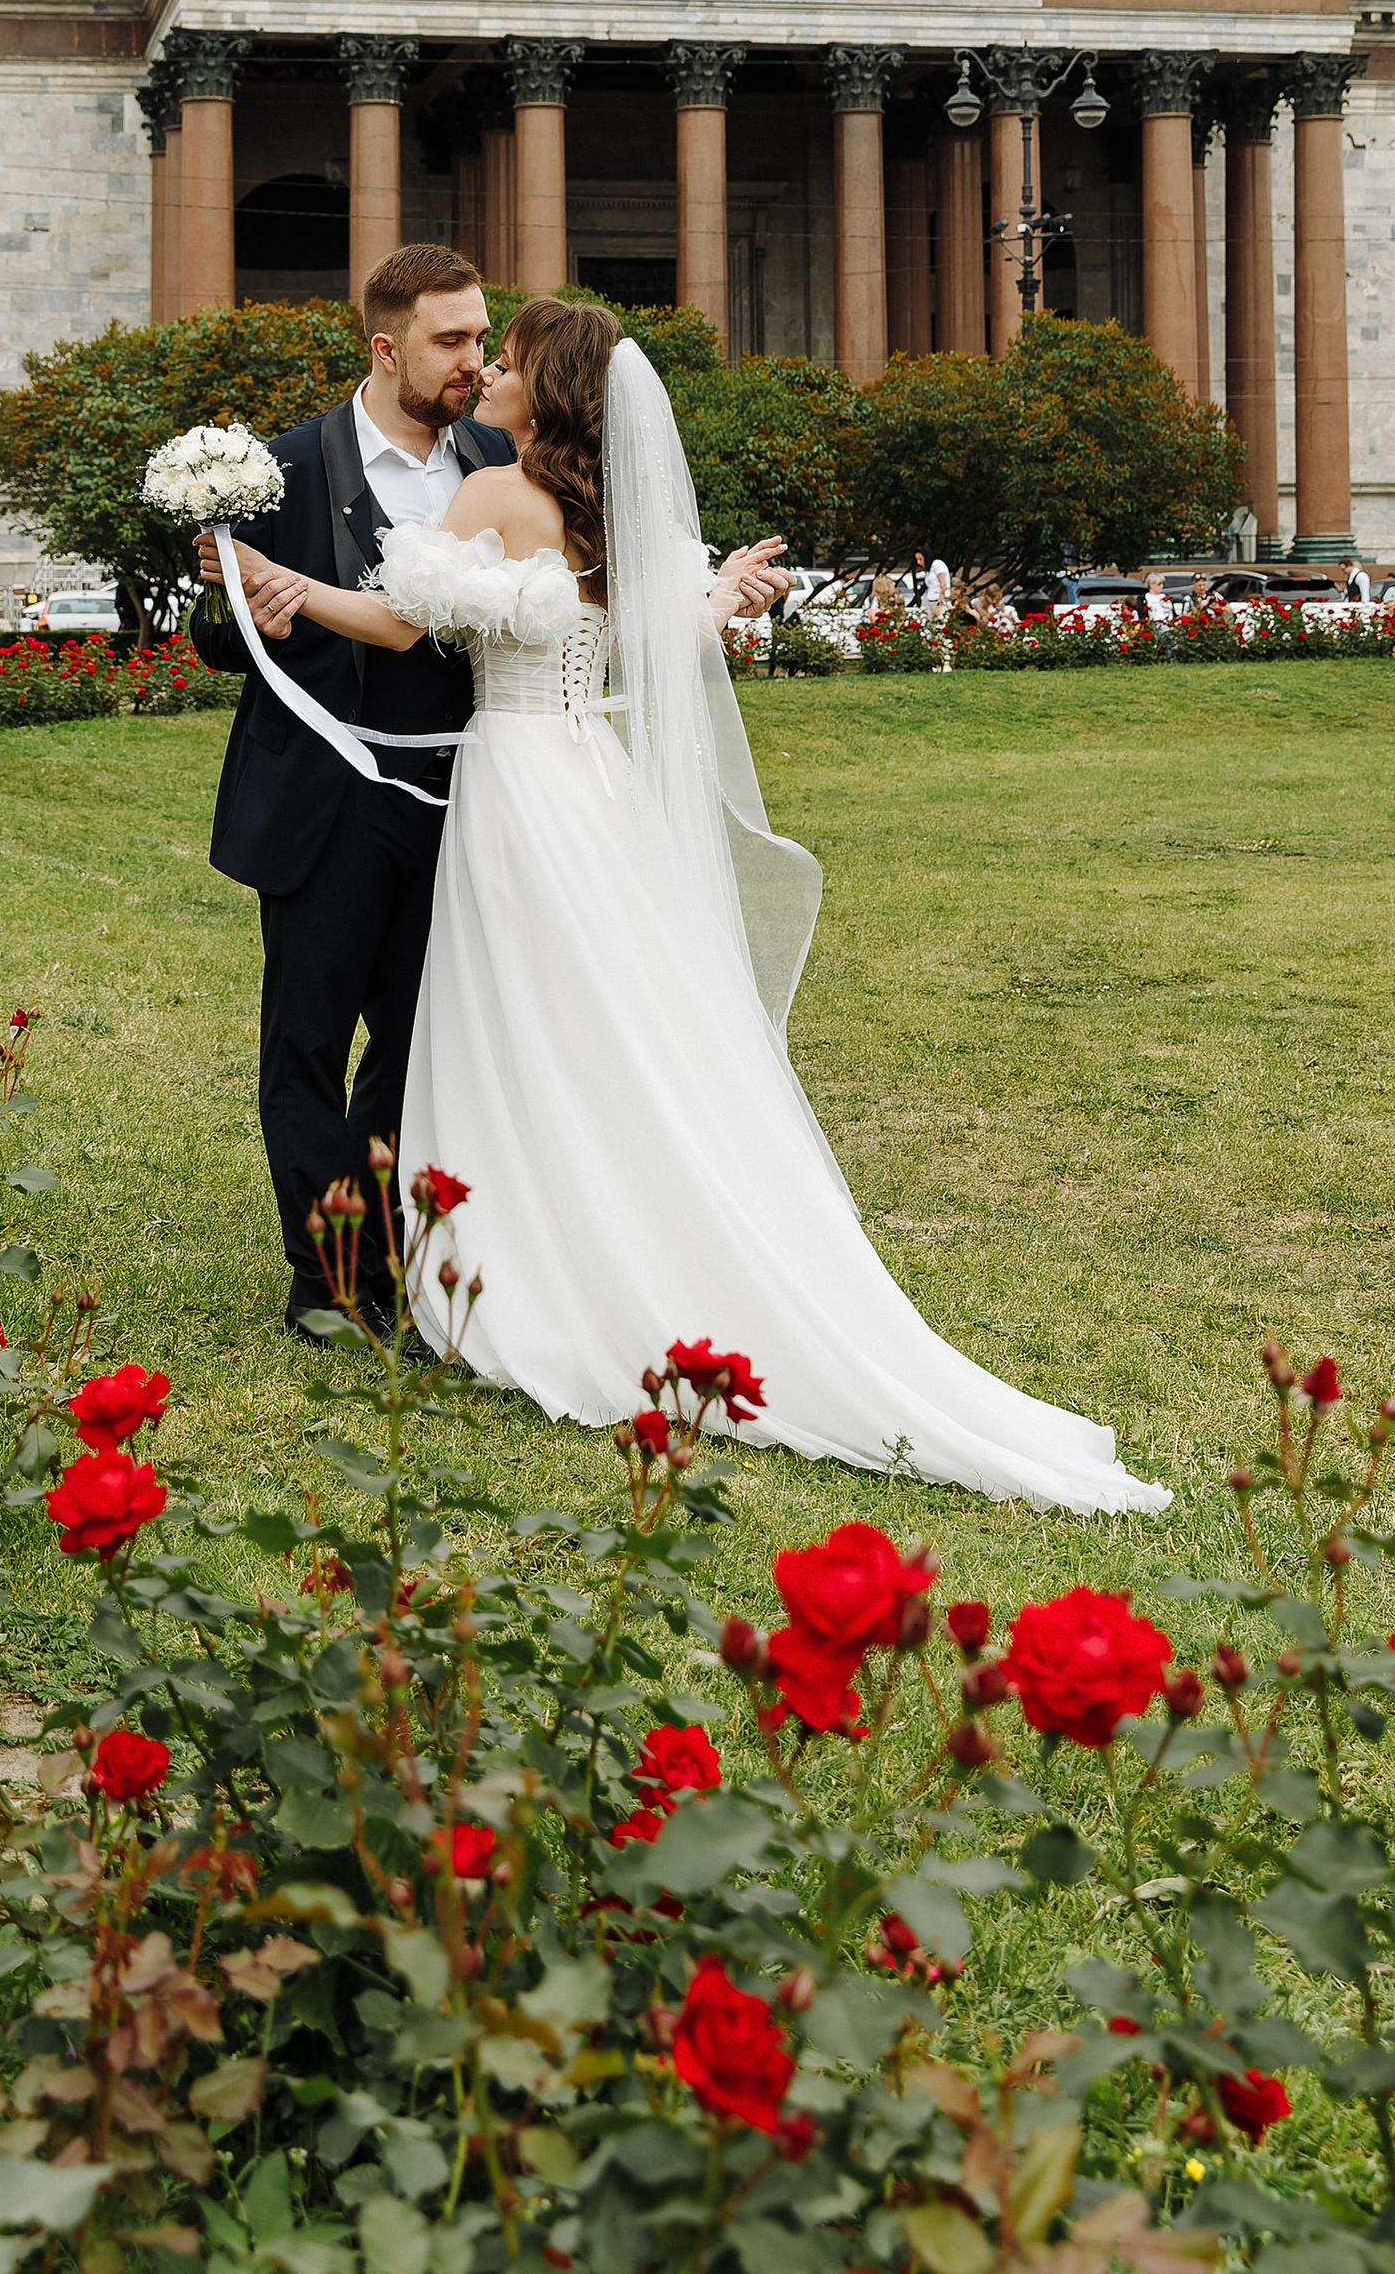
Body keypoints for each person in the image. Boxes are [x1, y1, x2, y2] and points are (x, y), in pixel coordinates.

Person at [231, 300, 1167, 1505]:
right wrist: (720, 592)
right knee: (594, 1025)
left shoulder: (490, 497)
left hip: (513, 787)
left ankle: (523, 1269)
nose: (492, 372)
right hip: (588, 787)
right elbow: (666, 641)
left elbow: (403, 624)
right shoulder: (608, 515)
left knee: (517, 1024)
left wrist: (289, 586)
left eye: (506, 359)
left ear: (544, 387)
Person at [192, 251, 790, 1336]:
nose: (475, 361)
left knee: (433, 1042)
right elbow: (215, 636)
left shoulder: (505, 463)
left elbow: (535, 618)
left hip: (474, 798)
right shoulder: (280, 469)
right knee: (307, 1045)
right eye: (454, 342)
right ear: (387, 346)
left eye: (488, 345)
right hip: (329, 801)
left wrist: (711, 598)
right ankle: (329, 1287)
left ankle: (394, 1257)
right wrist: (246, 598)